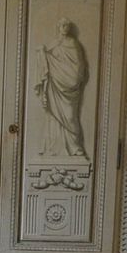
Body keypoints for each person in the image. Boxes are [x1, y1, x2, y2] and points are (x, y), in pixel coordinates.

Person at [35, 18, 88, 156]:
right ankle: (54, 148)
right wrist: (43, 53)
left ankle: (75, 147)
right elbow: (49, 61)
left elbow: (78, 66)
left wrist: (69, 75)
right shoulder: (54, 44)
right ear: (58, 27)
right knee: (53, 117)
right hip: (55, 86)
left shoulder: (73, 43)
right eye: (63, 25)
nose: (65, 28)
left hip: (70, 87)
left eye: (67, 26)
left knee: (70, 116)